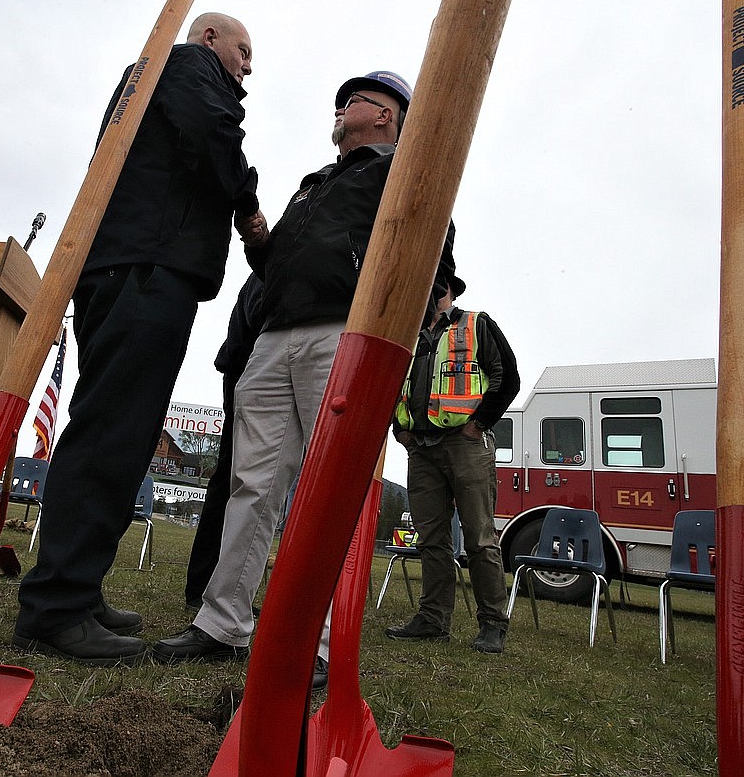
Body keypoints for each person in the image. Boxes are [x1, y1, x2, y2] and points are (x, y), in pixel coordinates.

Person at [153, 71, 456, 691]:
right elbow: (278, 263)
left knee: (330, 490)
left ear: (387, 117)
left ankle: (315, 644)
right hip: (275, 336)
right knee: (252, 482)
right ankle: (222, 623)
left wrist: (402, 330)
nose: (341, 107)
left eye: (355, 100)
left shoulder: (405, 170)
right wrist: (259, 235)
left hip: (343, 336)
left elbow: (434, 252)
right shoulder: (315, 183)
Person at [14, 12, 266, 666]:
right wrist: (247, 203)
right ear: (210, 39)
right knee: (112, 432)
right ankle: (57, 605)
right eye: (244, 52)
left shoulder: (154, 78)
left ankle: (76, 585)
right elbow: (210, 134)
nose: (247, 67)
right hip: (148, 265)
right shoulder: (188, 68)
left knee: (114, 429)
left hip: (130, 262)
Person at [385, 279, 520, 654]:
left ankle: (493, 623)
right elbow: (392, 383)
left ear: (447, 288)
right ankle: (432, 619)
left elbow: (507, 376)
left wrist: (480, 424)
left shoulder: (476, 324)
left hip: (465, 443)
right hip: (421, 449)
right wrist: (400, 430)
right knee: (431, 539)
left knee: (479, 538)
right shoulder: (409, 335)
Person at [183, 272, 263, 611]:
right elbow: (258, 318)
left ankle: (215, 585)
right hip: (247, 370)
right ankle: (204, 584)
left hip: (247, 369)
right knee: (233, 478)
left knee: (238, 480)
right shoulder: (275, 262)